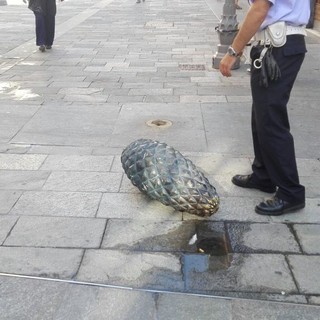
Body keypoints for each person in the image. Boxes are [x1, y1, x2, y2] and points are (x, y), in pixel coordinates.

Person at [219, 0, 310, 216]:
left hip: (279, 45)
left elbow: (260, 8)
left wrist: (233, 51)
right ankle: (264, 175)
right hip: (277, 45)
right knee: (262, 114)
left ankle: (291, 192)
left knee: (270, 119)